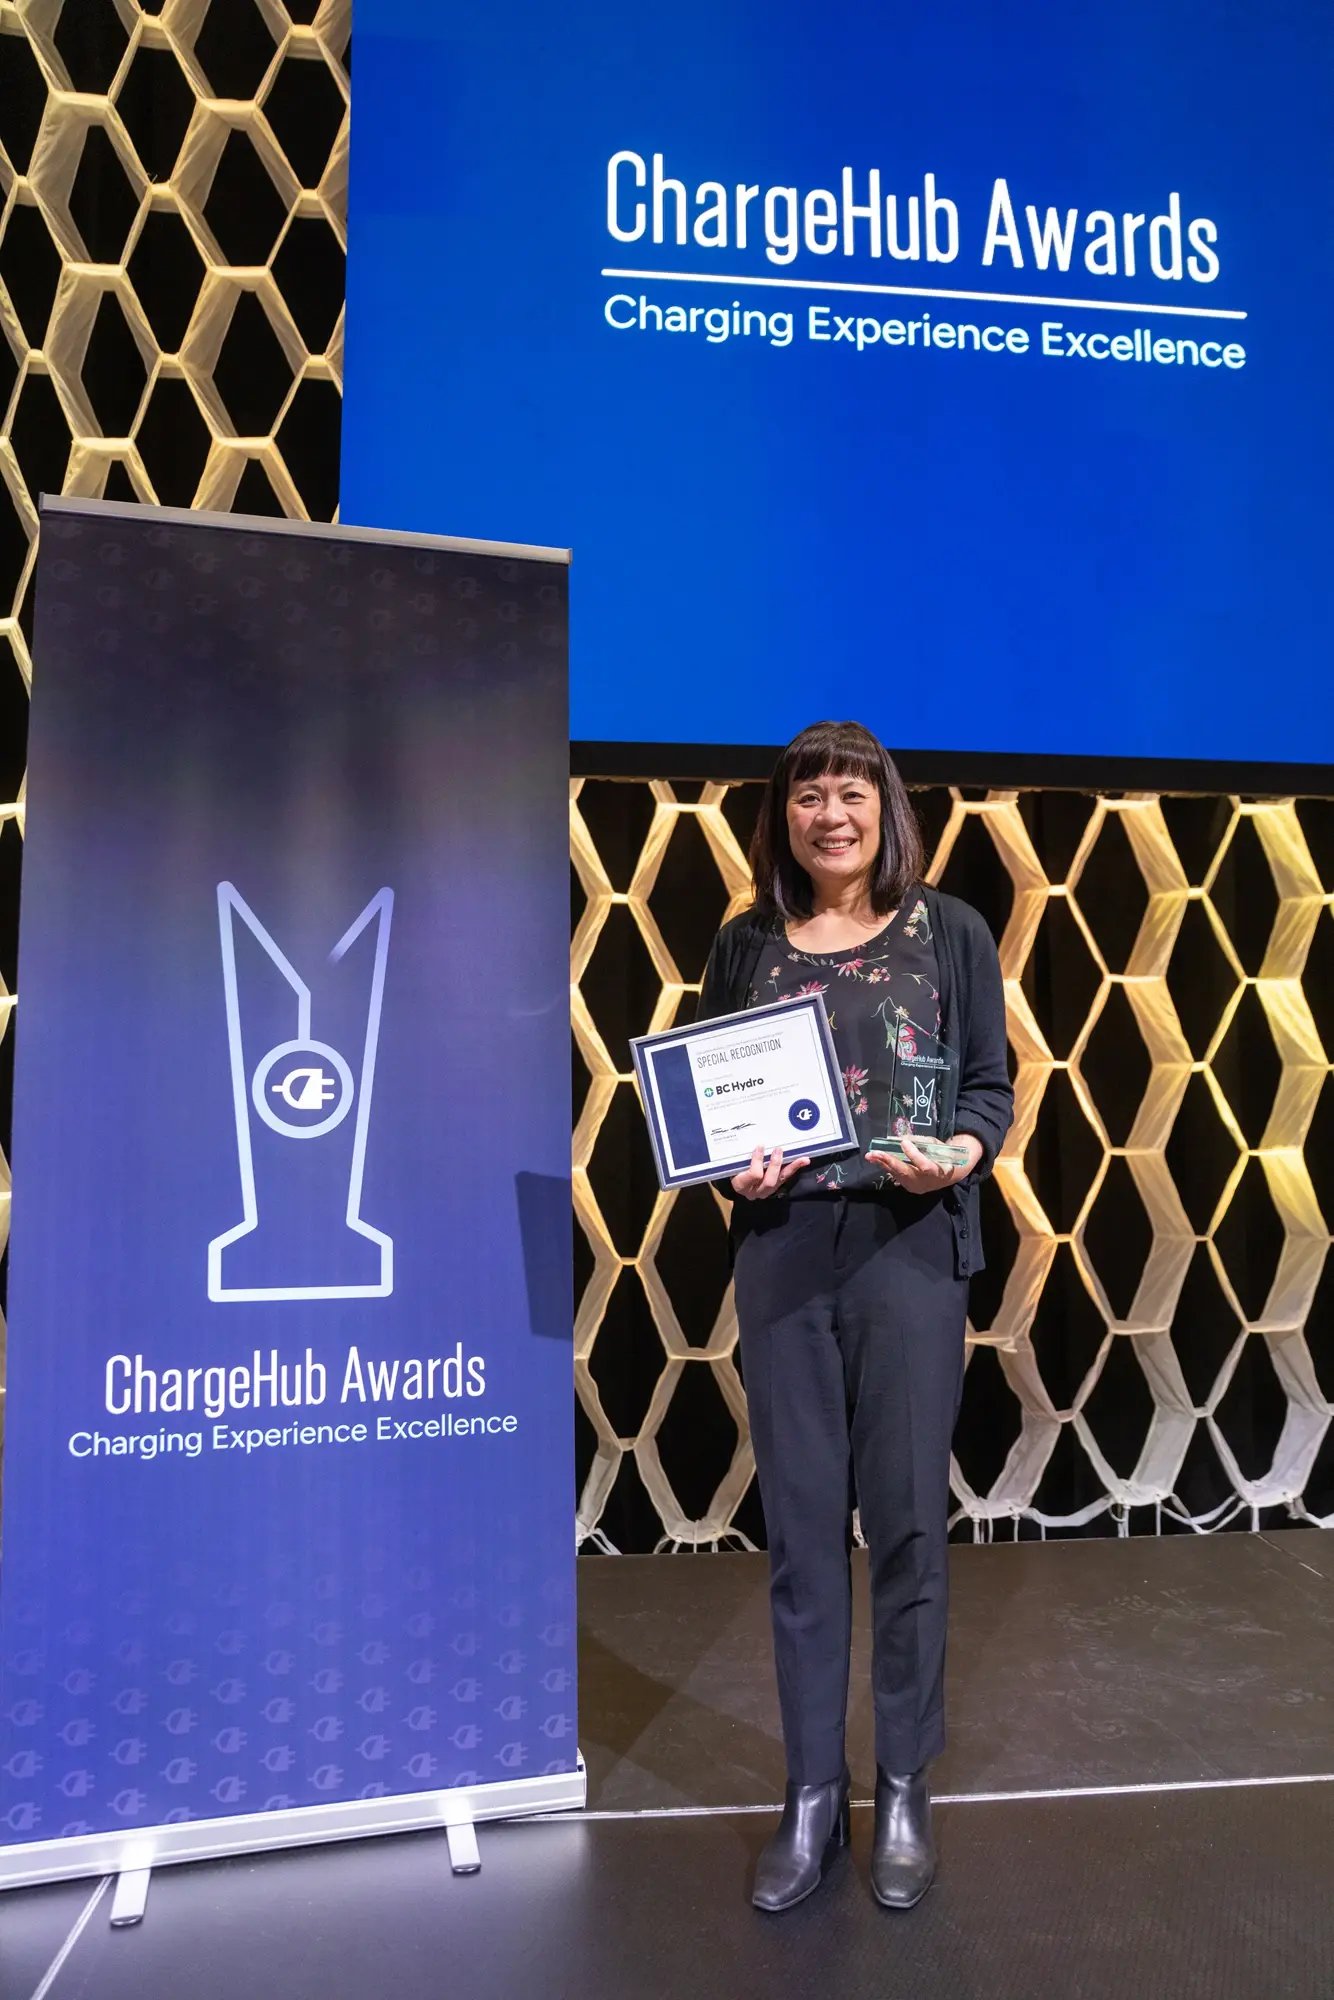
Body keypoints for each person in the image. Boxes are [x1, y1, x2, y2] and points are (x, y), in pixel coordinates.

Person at [697, 720, 1013, 1913]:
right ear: (781, 818)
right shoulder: (745, 943)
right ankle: (811, 1794)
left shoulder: (952, 932)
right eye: (806, 797)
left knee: (905, 1529)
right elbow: (712, 1090)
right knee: (796, 1539)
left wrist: (963, 1150)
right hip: (783, 1254)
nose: (829, 814)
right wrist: (736, 1165)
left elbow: (990, 1083)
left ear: (884, 808)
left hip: (908, 1250)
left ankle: (905, 1787)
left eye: (849, 794)